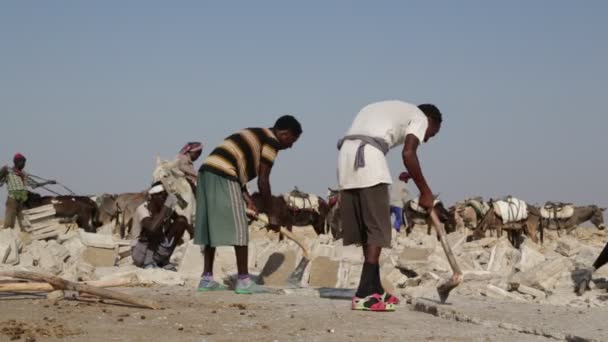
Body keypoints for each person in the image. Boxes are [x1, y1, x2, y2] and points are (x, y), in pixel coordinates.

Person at [337, 101, 442, 311]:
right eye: (431, 133)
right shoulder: (420, 117)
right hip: (368, 157)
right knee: (378, 228)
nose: (427, 139)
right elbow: (408, 154)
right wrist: (425, 191)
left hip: (345, 157)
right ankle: (364, 295)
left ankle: (375, 289)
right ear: (430, 121)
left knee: (367, 228)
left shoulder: (383, 108)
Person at [195, 115, 302, 294]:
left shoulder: (258, 133)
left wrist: (246, 198)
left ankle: (206, 279)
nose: (291, 146)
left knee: (210, 228)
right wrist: (272, 214)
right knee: (240, 227)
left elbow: (238, 166)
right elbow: (263, 181)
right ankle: (244, 280)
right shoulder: (271, 141)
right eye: (292, 140)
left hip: (207, 172)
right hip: (224, 173)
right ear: (284, 133)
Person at [131, 181, 191, 270]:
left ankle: (164, 261)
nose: (165, 198)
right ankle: (148, 262)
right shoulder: (143, 208)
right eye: (163, 195)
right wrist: (166, 206)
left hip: (158, 249)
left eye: (166, 196)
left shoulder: (165, 209)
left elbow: (181, 221)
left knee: (181, 221)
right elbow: (152, 228)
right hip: (140, 253)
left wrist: (195, 236)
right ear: (154, 196)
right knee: (155, 224)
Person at [0, 153, 56, 229]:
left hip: (23, 202)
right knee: (9, 224)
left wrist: (47, 182)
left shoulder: (24, 174)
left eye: (24, 162)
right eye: (22, 161)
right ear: (16, 162)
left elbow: (34, 185)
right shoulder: (8, 171)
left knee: (25, 225)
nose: (23, 164)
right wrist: (2, 171)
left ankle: (25, 239)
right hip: (12, 200)